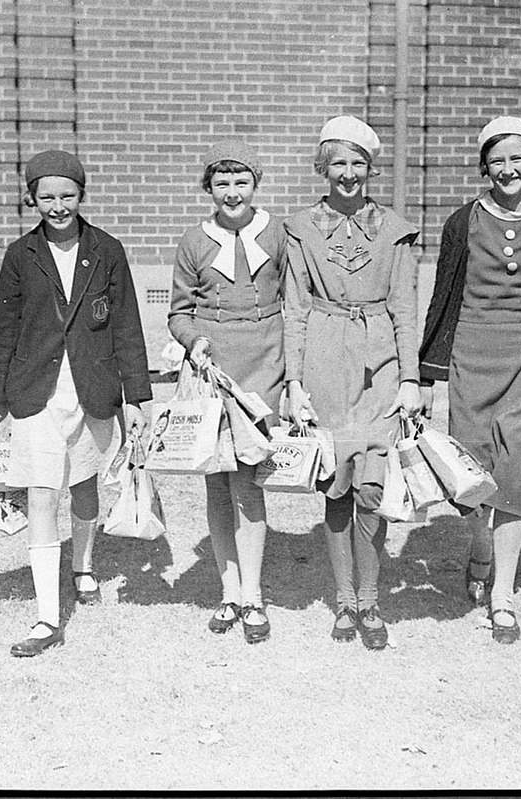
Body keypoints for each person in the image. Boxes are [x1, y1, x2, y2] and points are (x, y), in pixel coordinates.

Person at [0, 149, 151, 657]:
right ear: (31, 198)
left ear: (82, 196)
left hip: (93, 390)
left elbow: (127, 326)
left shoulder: (107, 249)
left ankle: (83, 566)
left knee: (83, 486)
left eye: (67, 196)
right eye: (47, 197)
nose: (58, 206)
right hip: (37, 392)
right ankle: (46, 617)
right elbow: (5, 330)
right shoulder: (20, 255)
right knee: (41, 492)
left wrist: (138, 395)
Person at [418, 116, 521, 644]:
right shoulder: (462, 223)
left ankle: (503, 597)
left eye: (518, 158)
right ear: (484, 166)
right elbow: (442, 301)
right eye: (497, 159)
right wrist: (428, 374)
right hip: (470, 356)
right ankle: (479, 546)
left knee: (515, 473)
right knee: (471, 472)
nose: (508, 169)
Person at [284, 115, 423, 650]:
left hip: (380, 362)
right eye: (337, 163)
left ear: (370, 168)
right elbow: (294, 308)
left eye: (357, 163)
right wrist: (294, 382)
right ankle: (345, 601)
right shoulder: (300, 229)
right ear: (323, 168)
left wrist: (409, 378)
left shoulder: (395, 229)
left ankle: (371, 599)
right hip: (323, 358)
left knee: (372, 487)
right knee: (336, 487)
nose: (348, 174)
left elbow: (406, 308)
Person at [167, 140, 286, 644]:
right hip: (214, 365)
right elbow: (178, 311)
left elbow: (296, 300)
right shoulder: (195, 241)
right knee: (217, 480)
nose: (232, 192)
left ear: (255, 186)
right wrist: (194, 341)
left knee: (250, 479)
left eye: (241, 182)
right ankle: (228, 592)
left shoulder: (277, 234)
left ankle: (254, 595)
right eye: (221, 183)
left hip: (265, 358)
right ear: (209, 190)